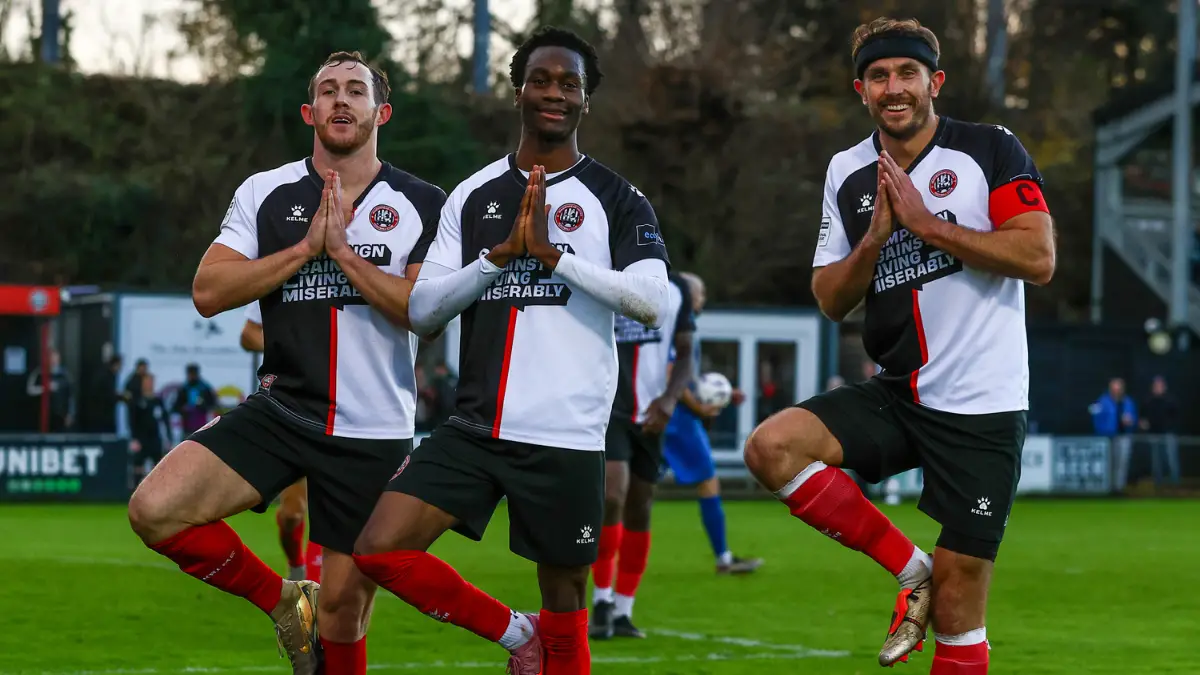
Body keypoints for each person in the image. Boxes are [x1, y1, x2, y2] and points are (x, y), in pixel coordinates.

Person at [351, 26, 672, 675]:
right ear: (518, 89)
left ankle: (545, 638)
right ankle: (512, 632)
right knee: (380, 548)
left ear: (587, 99)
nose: (555, 93)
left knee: (566, 603)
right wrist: (495, 261)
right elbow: (423, 309)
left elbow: (653, 301)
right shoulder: (471, 196)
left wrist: (555, 258)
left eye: (569, 84)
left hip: (568, 434)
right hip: (475, 428)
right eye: (542, 80)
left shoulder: (616, 197)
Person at [741, 17, 1055, 674]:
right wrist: (877, 239)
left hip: (982, 406)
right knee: (771, 446)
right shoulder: (847, 171)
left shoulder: (989, 148)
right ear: (861, 89)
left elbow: (1037, 254)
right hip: (898, 391)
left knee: (962, 607)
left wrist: (926, 226)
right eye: (879, 76)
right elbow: (830, 298)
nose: (894, 87)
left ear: (934, 81)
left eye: (907, 73)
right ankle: (912, 570)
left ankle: (936, 589)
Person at [126, 50, 445, 675]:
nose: (341, 100)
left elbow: (421, 312)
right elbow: (209, 291)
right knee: (155, 509)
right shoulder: (265, 192)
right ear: (309, 112)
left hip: (371, 427)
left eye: (356, 90)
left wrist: (345, 256)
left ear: (381, 111)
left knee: (344, 617)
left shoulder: (424, 202)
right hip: (282, 410)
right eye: (327, 90)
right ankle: (282, 599)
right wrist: (305, 248)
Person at [588, 271, 695, 640]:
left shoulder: (677, 289)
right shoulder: (604, 273)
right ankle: (600, 599)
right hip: (609, 410)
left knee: (641, 505)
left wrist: (669, 400)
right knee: (611, 496)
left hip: (652, 412)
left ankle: (623, 609)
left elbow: (685, 353)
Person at [659, 272, 763, 577]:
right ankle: (723, 558)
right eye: (700, 293)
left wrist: (726, 394)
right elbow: (669, 374)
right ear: (689, 296)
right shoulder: (677, 324)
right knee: (707, 481)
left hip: (670, 414)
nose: (703, 299)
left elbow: (682, 375)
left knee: (628, 489)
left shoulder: (673, 322)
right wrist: (699, 407)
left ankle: (592, 548)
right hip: (678, 418)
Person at [242, 301, 321, 582]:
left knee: (332, 515)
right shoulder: (283, 272)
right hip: (294, 412)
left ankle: (318, 606)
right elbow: (249, 334)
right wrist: (294, 350)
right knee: (292, 515)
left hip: (345, 416)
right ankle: (296, 564)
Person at [129, 372, 169, 486]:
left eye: (151, 382)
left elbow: (164, 419)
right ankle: (135, 491)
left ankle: (157, 491)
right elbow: (132, 421)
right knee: (138, 465)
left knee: (158, 466)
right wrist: (134, 438)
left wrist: (168, 438)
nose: (149, 384)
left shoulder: (157, 401)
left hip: (155, 438)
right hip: (141, 438)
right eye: (147, 382)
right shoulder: (138, 401)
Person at [171, 363, 217, 436]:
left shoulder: (204, 388)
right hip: (187, 424)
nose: (191, 376)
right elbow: (175, 407)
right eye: (190, 374)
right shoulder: (184, 388)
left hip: (202, 424)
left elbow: (213, 404)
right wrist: (183, 409)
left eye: (193, 374)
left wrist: (202, 406)